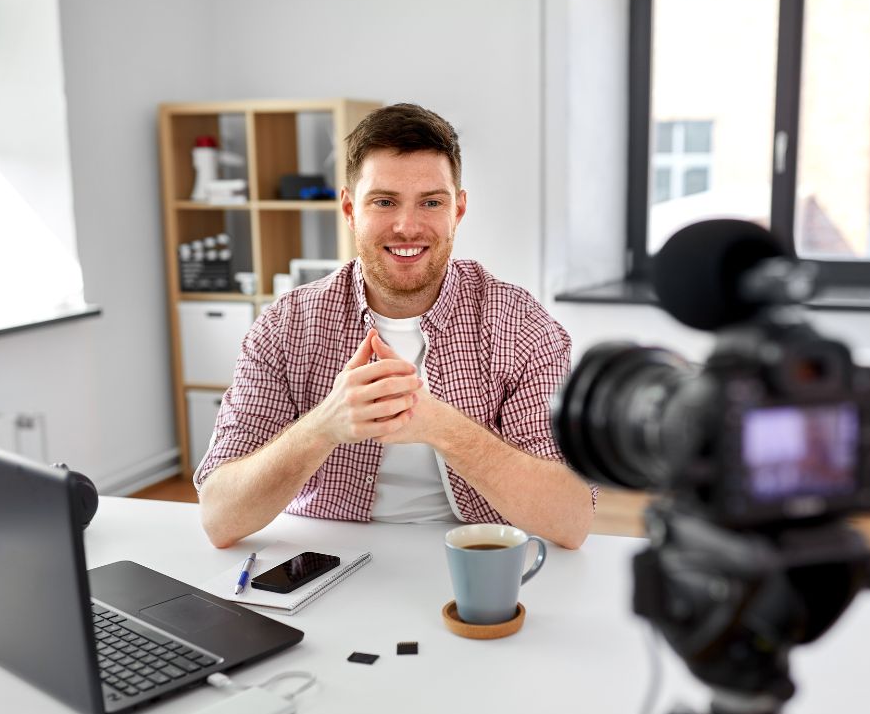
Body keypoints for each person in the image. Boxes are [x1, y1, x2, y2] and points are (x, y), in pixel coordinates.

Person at [196, 103, 595, 549]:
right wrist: (323, 427)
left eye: (431, 202)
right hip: (321, 556)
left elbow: (572, 519)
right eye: (384, 202)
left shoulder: (521, 325)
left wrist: (441, 427)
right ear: (349, 208)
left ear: (458, 210)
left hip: (478, 555)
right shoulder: (285, 325)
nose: (408, 227)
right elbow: (219, 517)